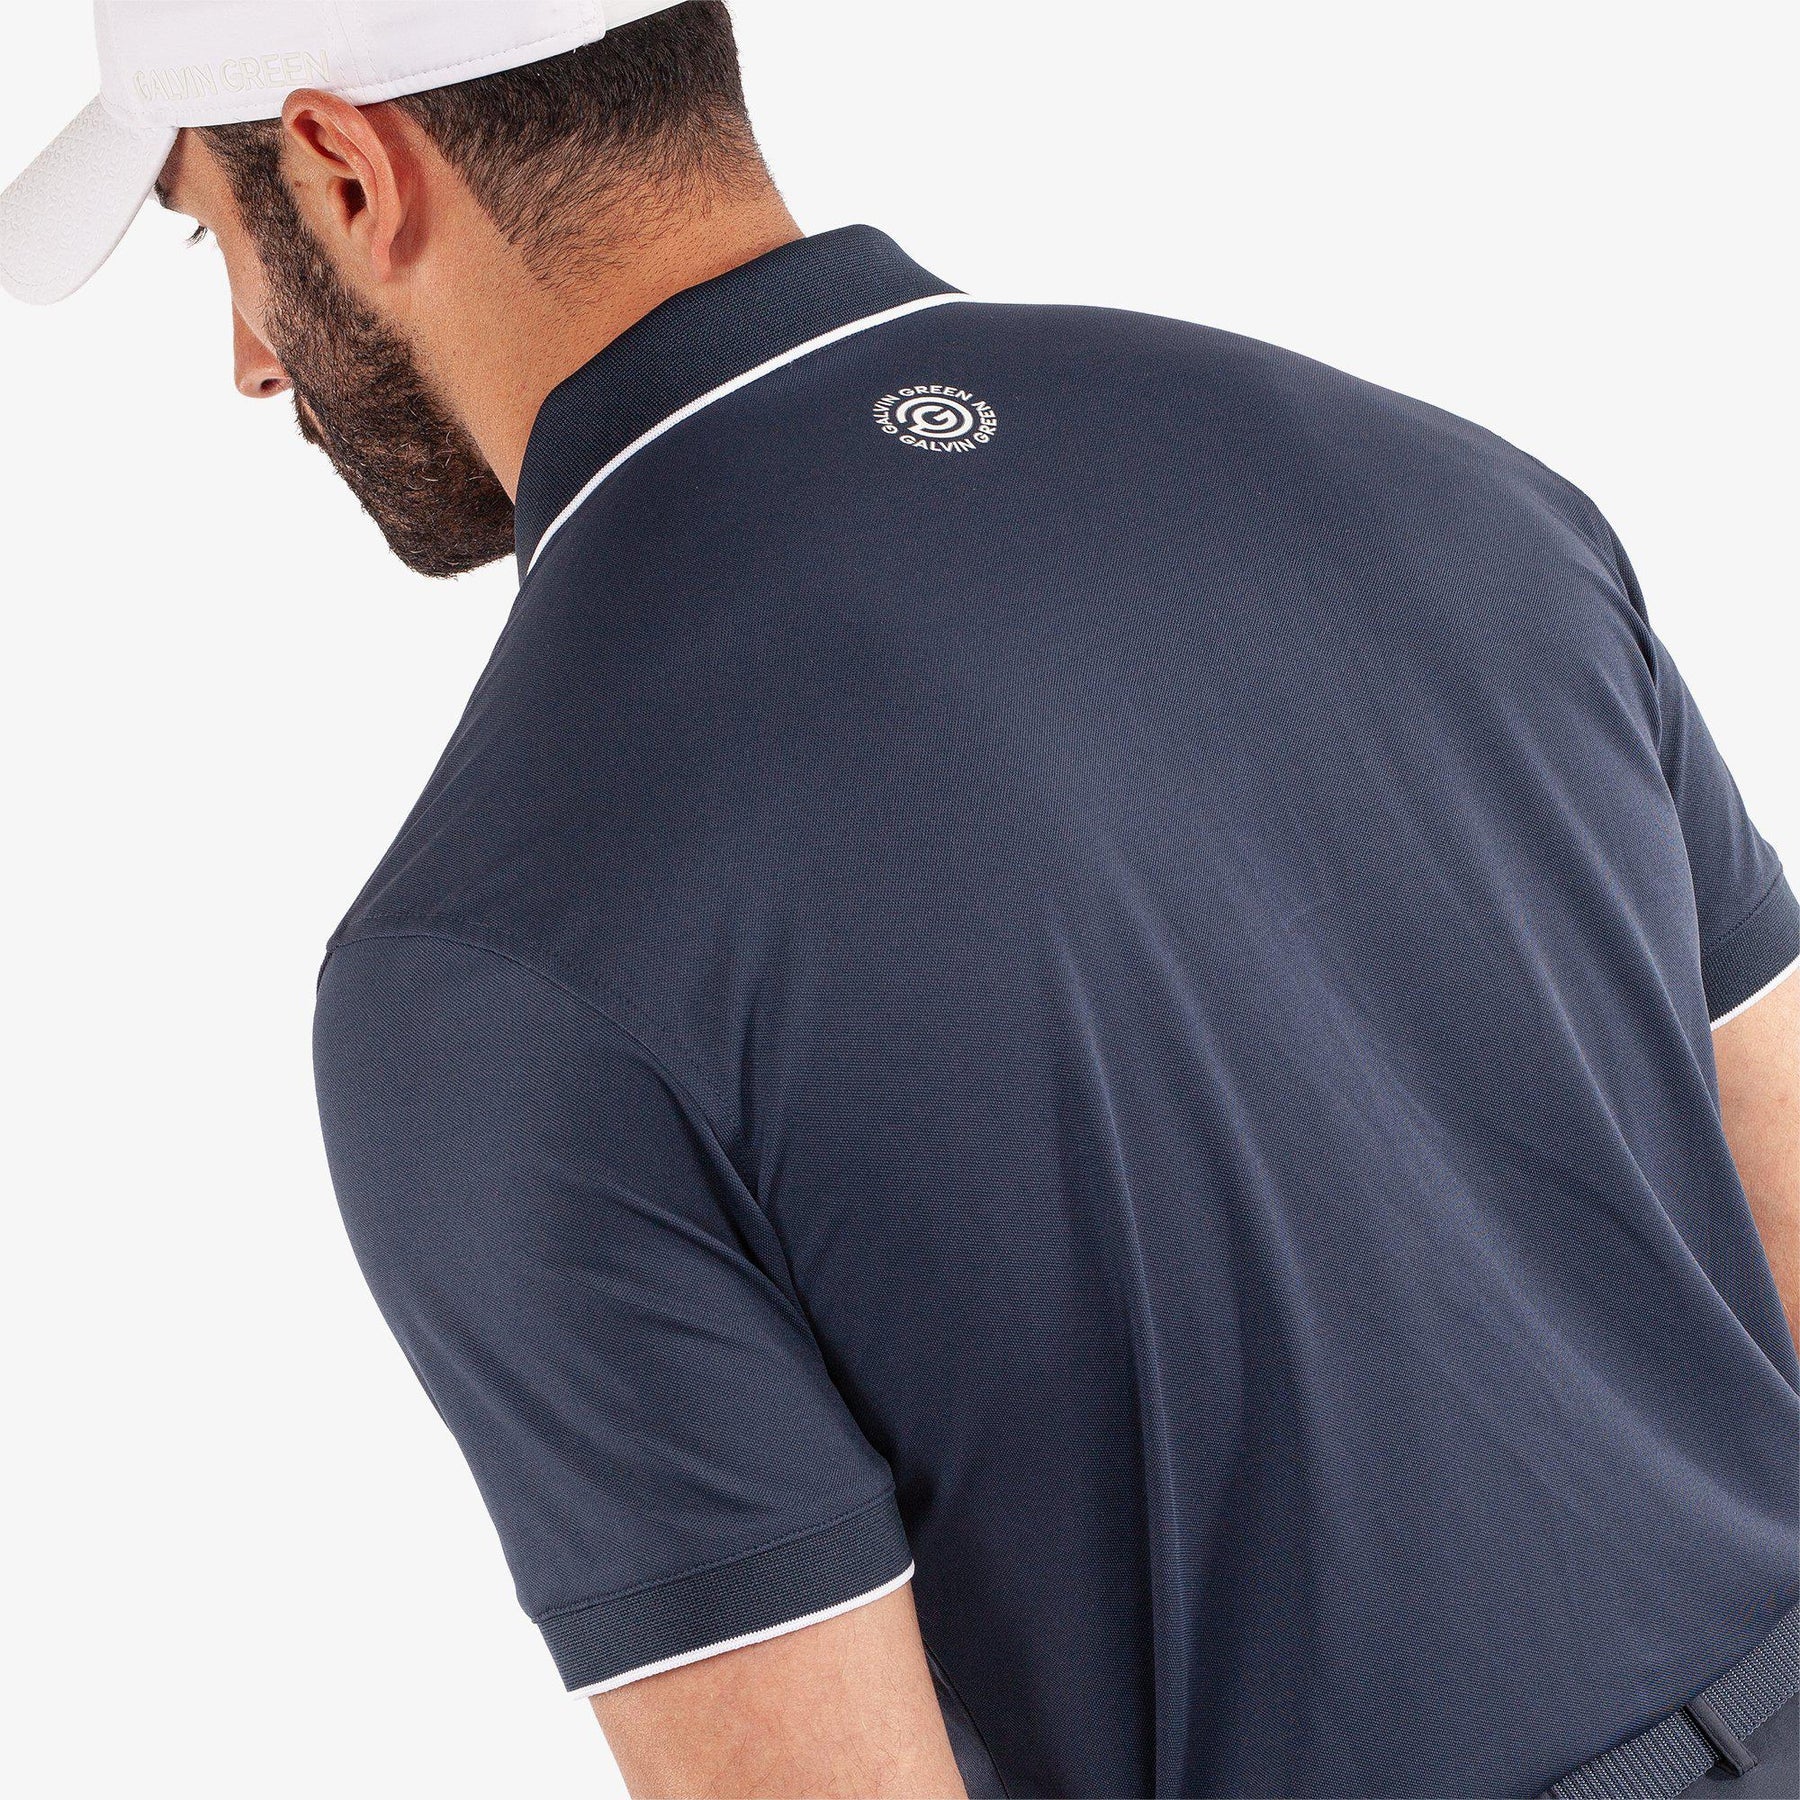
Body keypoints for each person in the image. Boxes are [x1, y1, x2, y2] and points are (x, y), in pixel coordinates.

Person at [4, 4, 1795, 1796]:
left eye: (215, 243)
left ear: (344, 169)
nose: (250, 360)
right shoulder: (1446, 484)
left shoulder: (485, 959)